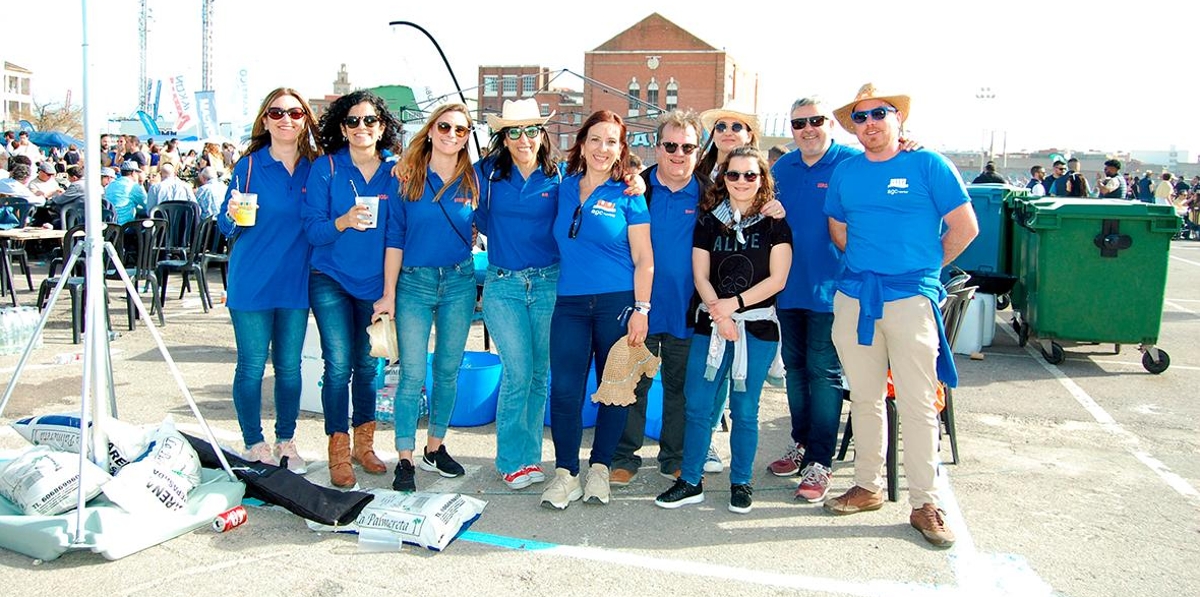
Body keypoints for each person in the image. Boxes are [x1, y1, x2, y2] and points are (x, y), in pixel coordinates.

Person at [822, 83, 978, 548]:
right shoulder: (848, 172)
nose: (869, 123)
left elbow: (965, 227)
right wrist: (871, 267)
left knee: (917, 401)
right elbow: (838, 228)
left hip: (911, 300)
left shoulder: (928, 164)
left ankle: (925, 502)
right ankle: (868, 486)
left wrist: (921, 272)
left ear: (898, 119)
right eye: (860, 117)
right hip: (855, 298)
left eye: (878, 114)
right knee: (866, 397)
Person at [654, 145, 792, 514]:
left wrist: (736, 306)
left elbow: (778, 279)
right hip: (711, 325)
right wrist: (721, 314)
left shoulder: (775, 222)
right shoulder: (708, 219)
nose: (742, 181)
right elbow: (700, 274)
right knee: (698, 404)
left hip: (757, 327)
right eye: (733, 174)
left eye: (751, 175)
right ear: (723, 178)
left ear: (762, 179)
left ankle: (741, 482)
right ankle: (691, 480)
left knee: (745, 408)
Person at [540, 110, 652, 510]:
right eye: (596, 140)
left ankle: (601, 468)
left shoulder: (630, 194)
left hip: (618, 306)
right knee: (566, 390)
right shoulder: (563, 187)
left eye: (612, 142)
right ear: (582, 143)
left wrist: (642, 308)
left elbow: (645, 259)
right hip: (569, 305)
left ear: (621, 149)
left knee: (615, 392)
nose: (603, 149)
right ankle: (566, 473)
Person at [376, 103, 479, 492]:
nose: (453, 134)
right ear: (431, 129)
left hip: (459, 282)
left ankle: (435, 446)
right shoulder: (405, 176)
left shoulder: (476, 177)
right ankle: (405, 457)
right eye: (446, 126)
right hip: (414, 284)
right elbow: (394, 238)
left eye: (462, 130)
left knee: (449, 369)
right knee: (413, 374)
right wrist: (388, 293)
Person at [218, 87, 320, 471]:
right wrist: (229, 214)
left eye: (295, 113)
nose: (286, 120)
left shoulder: (317, 167)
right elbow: (224, 226)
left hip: (294, 282)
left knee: (290, 368)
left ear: (305, 121)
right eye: (277, 113)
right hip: (251, 280)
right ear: (265, 120)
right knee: (251, 366)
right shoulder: (248, 166)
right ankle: (253, 442)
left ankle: (286, 441)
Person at [302, 90, 401, 488]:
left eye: (370, 121)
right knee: (338, 364)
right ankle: (338, 452)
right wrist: (342, 221)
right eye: (354, 121)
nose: (362, 128)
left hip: (375, 285)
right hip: (330, 278)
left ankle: (365, 445)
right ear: (342, 128)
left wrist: (390, 290)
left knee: (367, 367)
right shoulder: (326, 168)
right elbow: (312, 229)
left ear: (382, 127)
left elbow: (398, 232)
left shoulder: (395, 171)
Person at [764, 96, 856, 503]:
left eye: (815, 120)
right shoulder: (783, 167)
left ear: (830, 125)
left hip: (832, 292)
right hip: (788, 289)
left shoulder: (851, 164)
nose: (807, 129)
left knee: (824, 373)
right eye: (799, 122)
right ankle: (801, 444)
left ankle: (821, 461)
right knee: (796, 371)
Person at [473, 99, 563, 491]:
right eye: (513, 131)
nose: (523, 139)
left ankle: (530, 457)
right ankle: (511, 459)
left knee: (540, 373)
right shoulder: (485, 175)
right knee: (519, 371)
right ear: (503, 138)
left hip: (549, 284)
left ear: (542, 135)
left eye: (530, 130)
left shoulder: (559, 176)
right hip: (503, 285)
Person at [696, 99, 760, 180]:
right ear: (713, 135)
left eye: (736, 127)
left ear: (749, 136)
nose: (727, 133)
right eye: (721, 127)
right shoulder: (695, 173)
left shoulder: (756, 177)